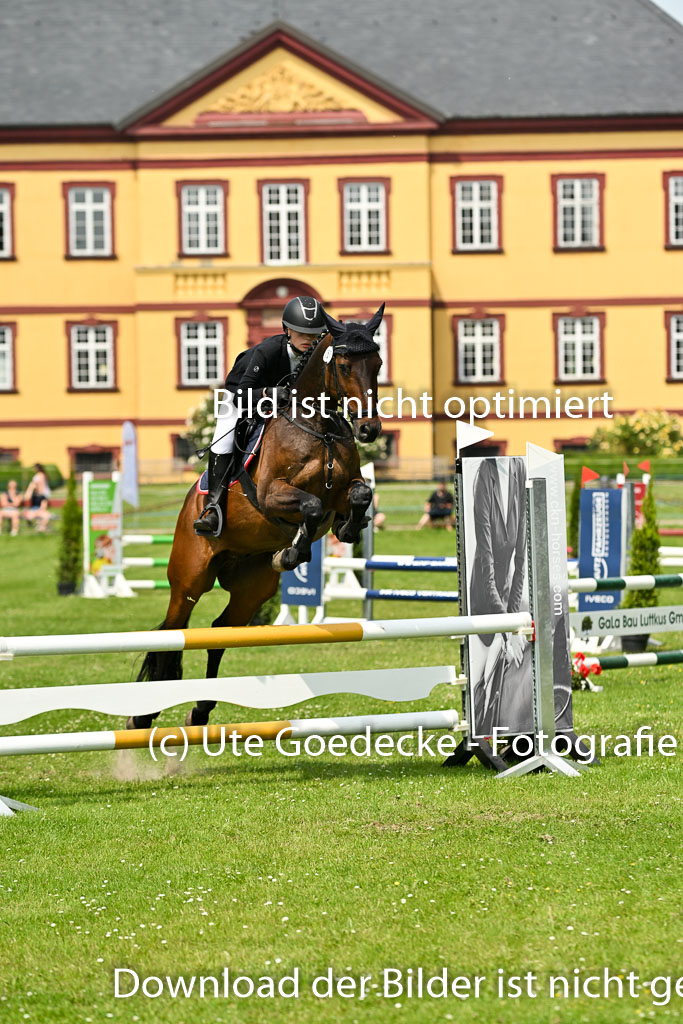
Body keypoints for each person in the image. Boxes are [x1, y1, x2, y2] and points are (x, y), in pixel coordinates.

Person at [194, 296, 329, 537]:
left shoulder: (319, 355)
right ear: (287, 330)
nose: (309, 339)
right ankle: (213, 508)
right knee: (223, 441)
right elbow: (241, 395)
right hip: (242, 396)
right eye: (302, 333)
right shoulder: (267, 351)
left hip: (286, 405)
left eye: (314, 334)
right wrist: (267, 392)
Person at [23, 463, 51, 532]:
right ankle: (38, 526)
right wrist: (30, 489)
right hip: (34, 510)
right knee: (28, 514)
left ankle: (41, 527)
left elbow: (43, 507)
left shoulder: (43, 495)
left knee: (45, 515)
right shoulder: (34, 494)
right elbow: (26, 497)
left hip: (39, 510)